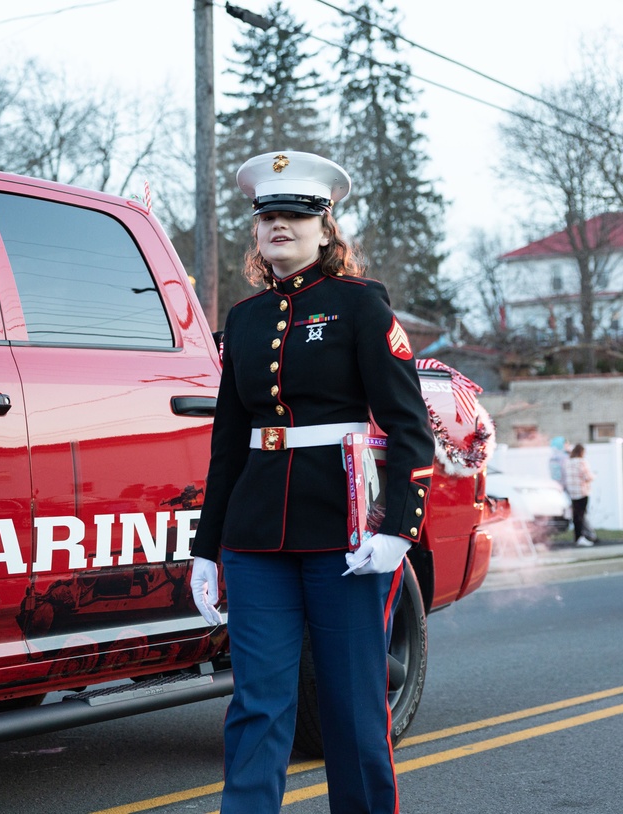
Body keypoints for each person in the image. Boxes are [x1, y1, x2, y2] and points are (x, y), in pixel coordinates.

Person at [189, 150, 436, 814]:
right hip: (257, 536)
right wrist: (207, 550)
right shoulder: (243, 321)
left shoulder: (360, 306)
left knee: (353, 709)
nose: (279, 226)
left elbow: (410, 426)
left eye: (295, 216)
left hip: (347, 537)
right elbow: (227, 445)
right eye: (268, 216)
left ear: (326, 229)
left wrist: (399, 530)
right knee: (258, 706)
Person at [564, 443, 597, 546]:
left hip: (572, 492)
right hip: (582, 492)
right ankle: (582, 537)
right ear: (581, 452)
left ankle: (577, 536)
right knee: (581, 515)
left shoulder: (568, 462)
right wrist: (594, 476)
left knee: (576, 516)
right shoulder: (582, 462)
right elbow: (588, 477)